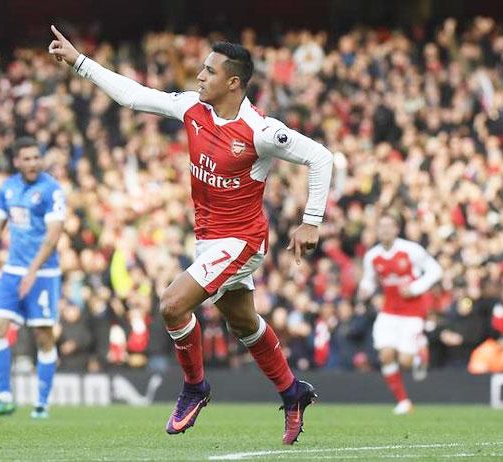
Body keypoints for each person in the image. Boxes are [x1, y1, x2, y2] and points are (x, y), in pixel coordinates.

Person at [49, 26, 333, 444]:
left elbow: (320, 157)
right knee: (243, 323)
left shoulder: (261, 131)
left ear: (233, 82)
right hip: (208, 240)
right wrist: (79, 62)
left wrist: (311, 220)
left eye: (209, 71)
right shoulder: (191, 109)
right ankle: (293, 392)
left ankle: (195, 388)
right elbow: (132, 95)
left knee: (171, 304)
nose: (199, 76)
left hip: (242, 242)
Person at [0, 136, 66, 419]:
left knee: (43, 336)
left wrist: (33, 271)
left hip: (43, 273)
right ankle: (3, 398)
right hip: (12, 271)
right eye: (27, 158)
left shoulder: (51, 190)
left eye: (37, 157)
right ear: (16, 162)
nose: (34, 162)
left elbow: (53, 236)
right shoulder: (8, 188)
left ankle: (42, 403)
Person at [358, 214, 442, 415]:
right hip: (389, 311)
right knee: (386, 354)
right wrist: (365, 289)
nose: (385, 230)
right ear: (377, 230)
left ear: (397, 229)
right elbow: (369, 280)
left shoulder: (411, 250)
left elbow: (435, 270)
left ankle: (420, 351)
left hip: (412, 312)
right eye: (382, 227)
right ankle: (403, 401)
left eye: (389, 226)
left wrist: (415, 287)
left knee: (404, 361)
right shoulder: (372, 256)